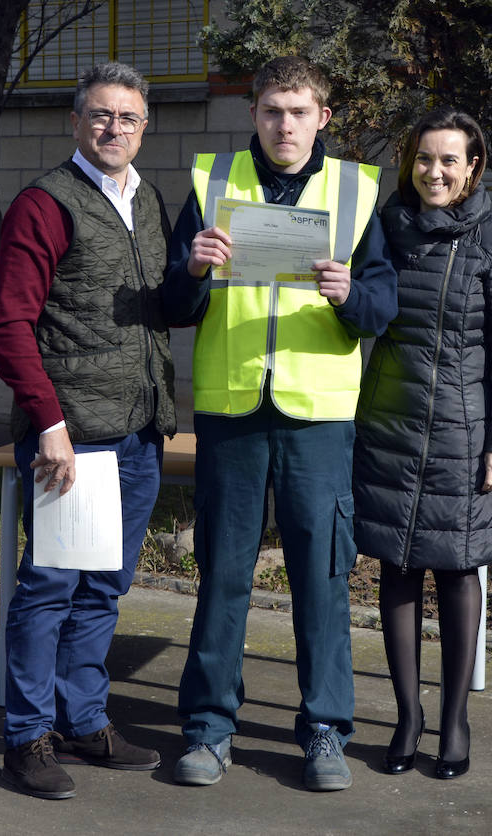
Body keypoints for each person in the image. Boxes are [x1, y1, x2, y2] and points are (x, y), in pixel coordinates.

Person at [161, 55, 397, 792]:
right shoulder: (211, 184)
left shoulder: (356, 193)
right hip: (231, 410)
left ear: (323, 117)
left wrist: (350, 293)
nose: (283, 123)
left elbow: (383, 309)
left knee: (322, 581)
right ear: (254, 113)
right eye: (271, 110)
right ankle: (207, 729)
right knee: (222, 577)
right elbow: (172, 304)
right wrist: (193, 271)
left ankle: (325, 730)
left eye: (298, 111)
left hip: (318, 418)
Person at [0, 61, 176, 800]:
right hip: (75, 438)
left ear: (144, 126)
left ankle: (85, 719)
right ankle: (27, 736)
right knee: (50, 588)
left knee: (104, 587)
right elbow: (9, 325)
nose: (113, 128)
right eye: (99, 115)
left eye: (127, 118)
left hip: (138, 432)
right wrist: (51, 424)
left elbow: (159, 309)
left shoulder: (147, 200)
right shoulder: (44, 204)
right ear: (75, 123)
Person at [352, 107, 492, 780]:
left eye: (449, 160)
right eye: (425, 159)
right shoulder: (387, 229)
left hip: (466, 436)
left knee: (458, 573)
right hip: (390, 426)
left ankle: (453, 719)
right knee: (395, 570)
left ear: (474, 167)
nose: (435, 172)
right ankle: (408, 715)